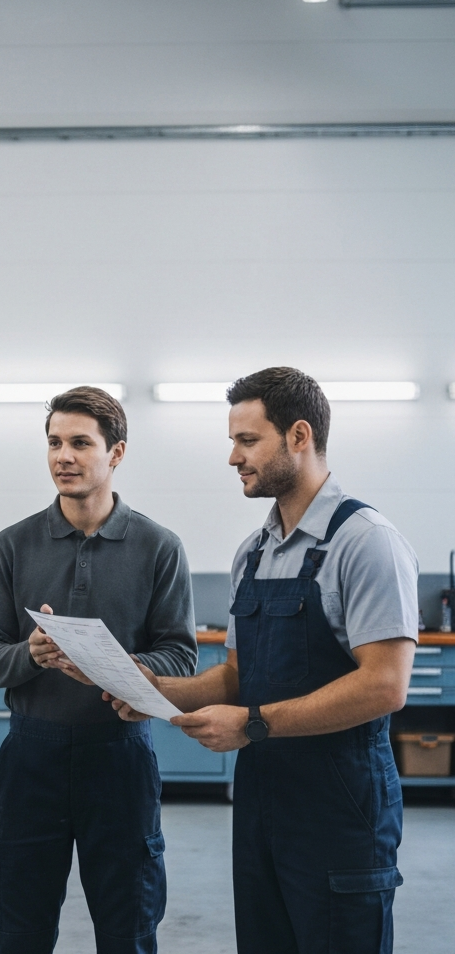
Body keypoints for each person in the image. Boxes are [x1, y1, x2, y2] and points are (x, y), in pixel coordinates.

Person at [108, 367, 418, 954]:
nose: (233, 457)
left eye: (247, 441)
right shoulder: (252, 553)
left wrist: (253, 724)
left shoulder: (366, 542)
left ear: (299, 436)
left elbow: (384, 686)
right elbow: (237, 675)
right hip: (262, 801)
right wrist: (155, 689)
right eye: (233, 441)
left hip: (342, 805)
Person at [0, 386, 197, 954]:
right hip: (31, 759)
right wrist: (32, 654)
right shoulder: (12, 546)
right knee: (20, 932)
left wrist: (113, 665)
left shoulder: (158, 547)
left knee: (129, 929)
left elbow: (180, 655)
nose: (62, 457)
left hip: (118, 758)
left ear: (116, 453)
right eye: (53, 443)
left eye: (79, 443)